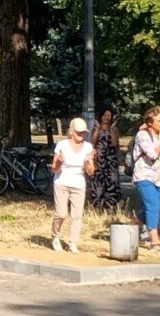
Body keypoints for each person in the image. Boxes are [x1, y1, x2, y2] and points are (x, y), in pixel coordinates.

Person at [51, 118, 96, 254]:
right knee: (61, 214)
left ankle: (73, 242)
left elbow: (91, 172)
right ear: (71, 132)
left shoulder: (88, 147)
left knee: (77, 216)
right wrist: (59, 162)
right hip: (62, 183)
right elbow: (54, 169)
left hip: (79, 184)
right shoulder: (62, 145)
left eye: (83, 132)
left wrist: (87, 163)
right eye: (78, 132)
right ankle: (55, 236)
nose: (81, 135)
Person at [132, 107, 160, 251]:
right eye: (158, 121)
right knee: (152, 205)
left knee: (157, 206)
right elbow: (152, 154)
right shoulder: (142, 135)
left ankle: (133, 226)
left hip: (157, 176)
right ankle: (154, 241)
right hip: (143, 175)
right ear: (149, 122)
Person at [88, 107, 121, 209]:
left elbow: (115, 143)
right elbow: (92, 142)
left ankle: (111, 204)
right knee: (98, 180)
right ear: (101, 116)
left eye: (109, 115)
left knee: (112, 180)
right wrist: (97, 129)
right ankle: (97, 204)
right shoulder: (96, 128)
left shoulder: (114, 129)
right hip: (99, 159)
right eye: (105, 115)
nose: (107, 117)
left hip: (111, 159)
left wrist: (112, 129)